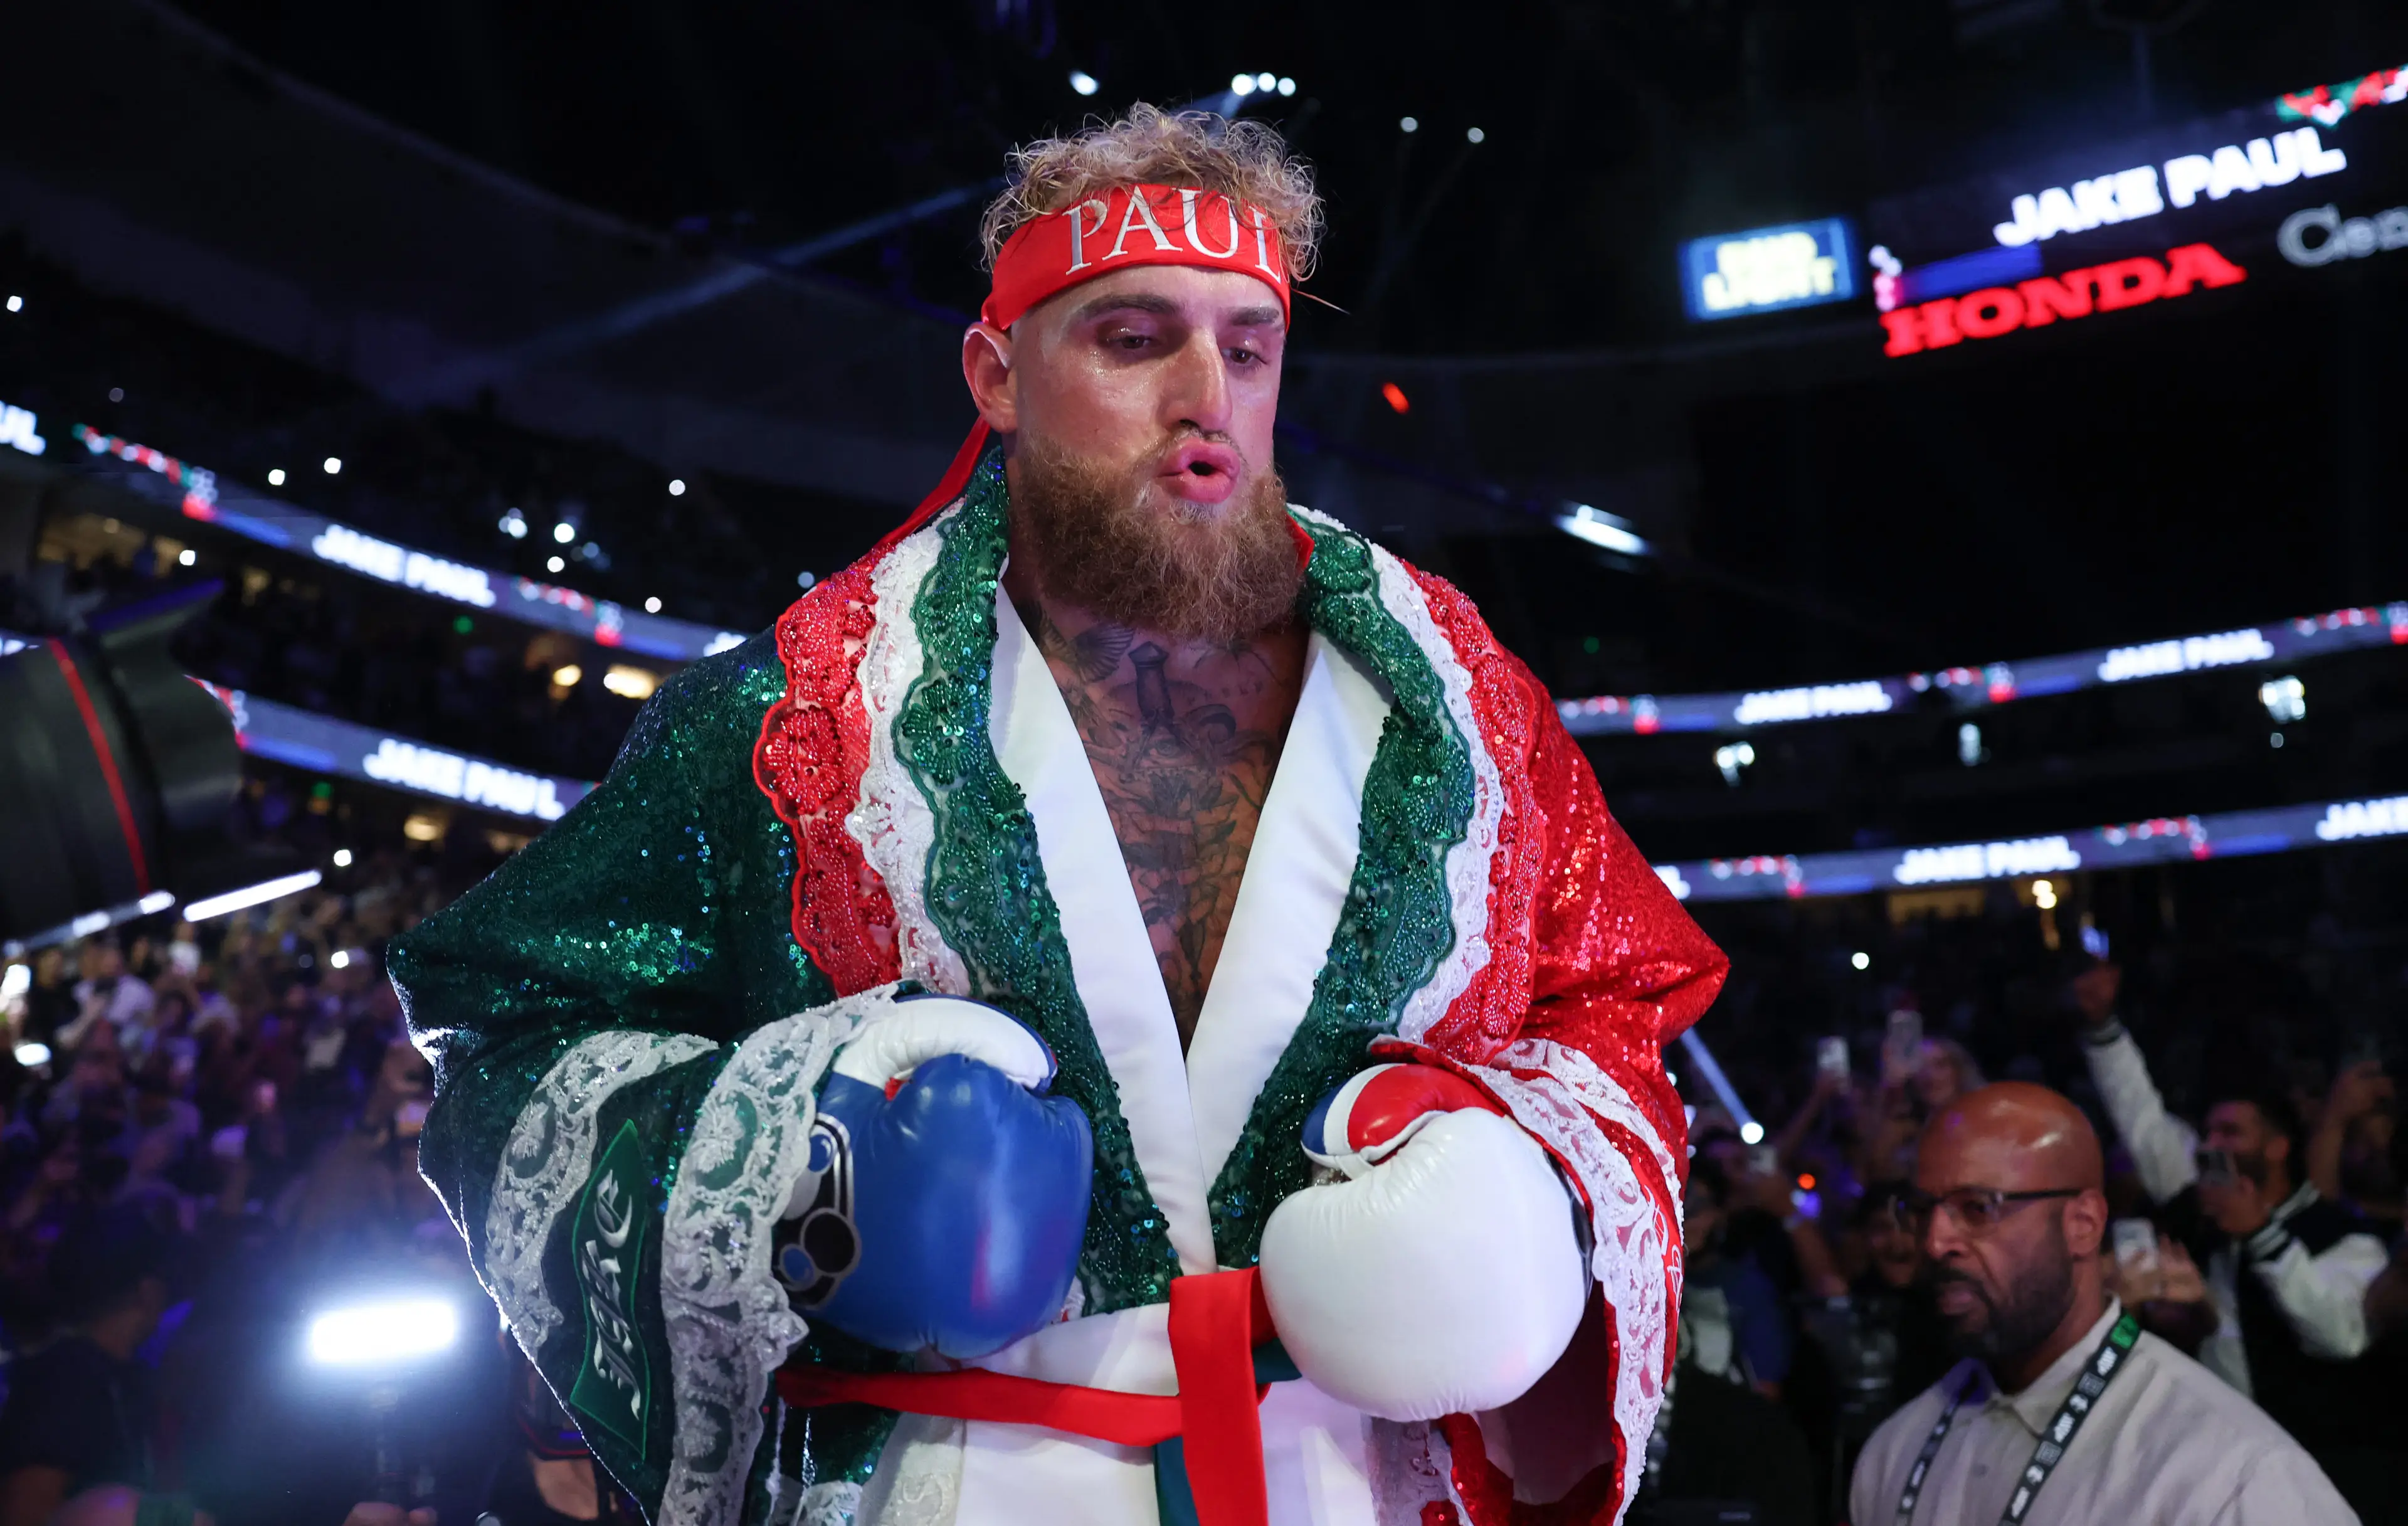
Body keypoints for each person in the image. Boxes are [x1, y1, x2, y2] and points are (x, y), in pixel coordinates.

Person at [391, 105, 1726, 1526]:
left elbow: (1617, 1000)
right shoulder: (793, 712)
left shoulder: (1465, 706)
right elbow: (511, 1027)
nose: (1206, 392)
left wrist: (1530, 1177)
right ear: (998, 373)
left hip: (1358, 1486)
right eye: (1135, 339)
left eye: (1249, 346)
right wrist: (791, 1166)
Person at [1849, 1083, 2354, 1524]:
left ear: (2083, 1224)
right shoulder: (1894, 1450)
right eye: (1920, 1210)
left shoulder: (2232, 1478)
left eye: (1978, 1208)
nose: (1935, 1242)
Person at [2071, 963, 2404, 1514]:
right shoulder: (2195, 1208)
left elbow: (2341, 1335)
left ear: (2275, 1149)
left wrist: (2262, 1235)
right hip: (2216, 1471)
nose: (2211, 1145)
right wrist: (2102, 1026)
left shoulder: (2341, 1233)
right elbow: (2142, 1118)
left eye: (2231, 1132)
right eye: (2208, 1131)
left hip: (2328, 1476)